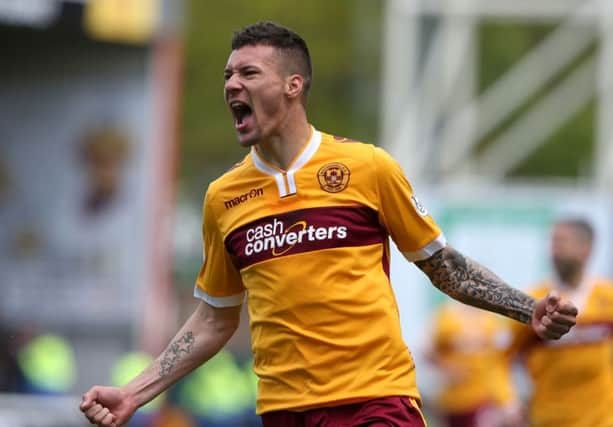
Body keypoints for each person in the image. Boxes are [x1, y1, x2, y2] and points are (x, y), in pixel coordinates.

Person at [80, 21, 578, 427]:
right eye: (228, 75)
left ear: (293, 86)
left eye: (249, 73)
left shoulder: (367, 167)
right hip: (284, 411)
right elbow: (214, 319)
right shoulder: (222, 198)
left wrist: (527, 307)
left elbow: (442, 264)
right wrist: (132, 393)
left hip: (375, 400)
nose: (232, 84)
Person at [505, 218, 613, 427]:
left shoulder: (607, 297)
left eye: (562, 242)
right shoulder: (535, 301)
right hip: (549, 418)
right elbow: (502, 356)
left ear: (585, 248)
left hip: (601, 419)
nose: (554, 251)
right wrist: (509, 400)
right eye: (553, 243)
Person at [426, 301, 521, 427]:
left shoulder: (491, 320)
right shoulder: (446, 317)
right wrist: (448, 368)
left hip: (483, 397)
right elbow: (429, 351)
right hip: (453, 401)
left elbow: (499, 363)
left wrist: (507, 399)